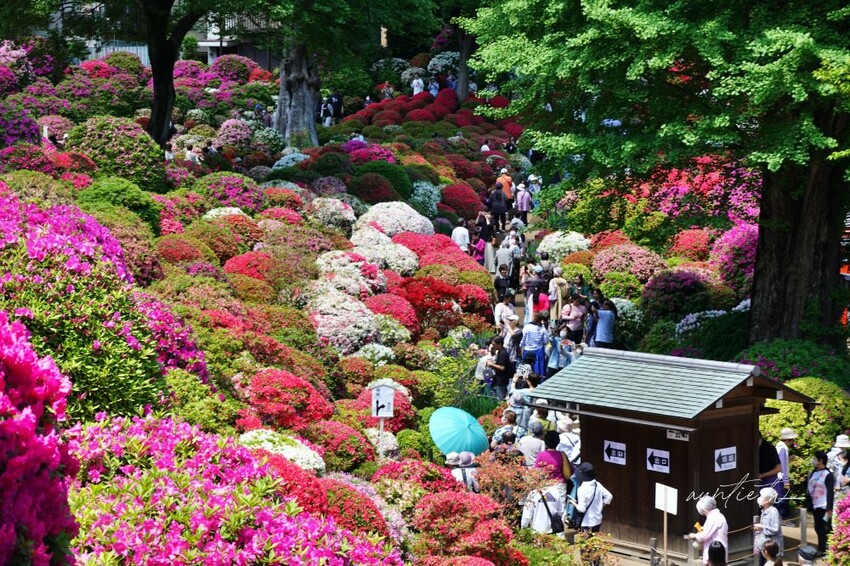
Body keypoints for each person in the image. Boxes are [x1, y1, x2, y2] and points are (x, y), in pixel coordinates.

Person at [805, 450, 834, 557]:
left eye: (815, 459)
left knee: (826, 528)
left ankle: (830, 549)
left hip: (824, 506)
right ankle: (821, 549)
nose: (813, 461)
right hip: (815, 505)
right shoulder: (813, 472)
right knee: (818, 528)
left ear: (821, 461)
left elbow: (830, 492)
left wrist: (829, 509)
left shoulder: (828, 474)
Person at [570, 462, 613, 533]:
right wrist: (601, 505)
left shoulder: (581, 489)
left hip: (587, 522)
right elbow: (609, 496)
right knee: (594, 541)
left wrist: (573, 503)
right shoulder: (597, 484)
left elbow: (582, 509)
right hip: (597, 519)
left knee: (585, 542)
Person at [689, 496, 729, 565]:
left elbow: (705, 535)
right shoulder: (718, 516)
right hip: (719, 551)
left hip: (715, 551)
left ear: (705, 508)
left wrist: (694, 535)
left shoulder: (713, 517)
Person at [754, 487, 783, 565]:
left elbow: (775, 529)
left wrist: (762, 527)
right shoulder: (764, 510)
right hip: (765, 548)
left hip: (771, 548)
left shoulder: (773, 512)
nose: (760, 499)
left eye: (761, 497)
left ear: (767, 500)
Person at [775, 428, 797, 518]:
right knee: (783, 500)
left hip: (779, 477)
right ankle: (782, 518)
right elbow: (782, 465)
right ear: (789, 440)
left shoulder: (780, 447)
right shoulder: (782, 448)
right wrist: (786, 481)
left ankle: (781, 518)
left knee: (782, 499)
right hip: (781, 478)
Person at [485, 336, 512, 401]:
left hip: (502, 380)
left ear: (499, 344)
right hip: (499, 378)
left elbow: (502, 367)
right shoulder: (500, 351)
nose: (493, 346)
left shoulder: (503, 353)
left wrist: (491, 364)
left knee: (500, 398)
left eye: (494, 345)